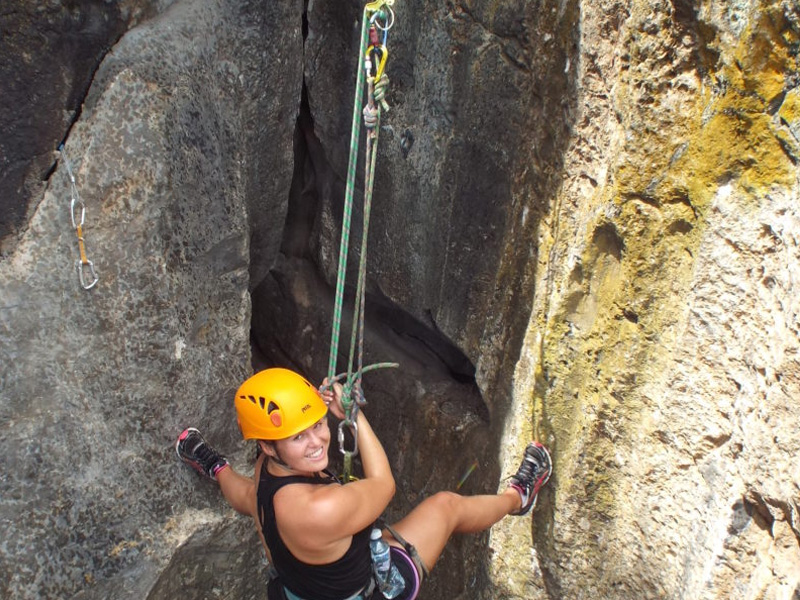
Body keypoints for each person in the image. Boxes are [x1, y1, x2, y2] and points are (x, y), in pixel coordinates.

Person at [176, 367, 552, 600]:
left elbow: (244, 497)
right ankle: (518, 496)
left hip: (301, 587)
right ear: (268, 446)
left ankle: (209, 462)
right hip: (361, 590)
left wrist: (221, 470)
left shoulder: (265, 471)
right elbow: (384, 484)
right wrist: (353, 417)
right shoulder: (319, 510)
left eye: (319, 425)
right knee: (445, 507)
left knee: (245, 494)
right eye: (297, 438)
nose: (318, 442)